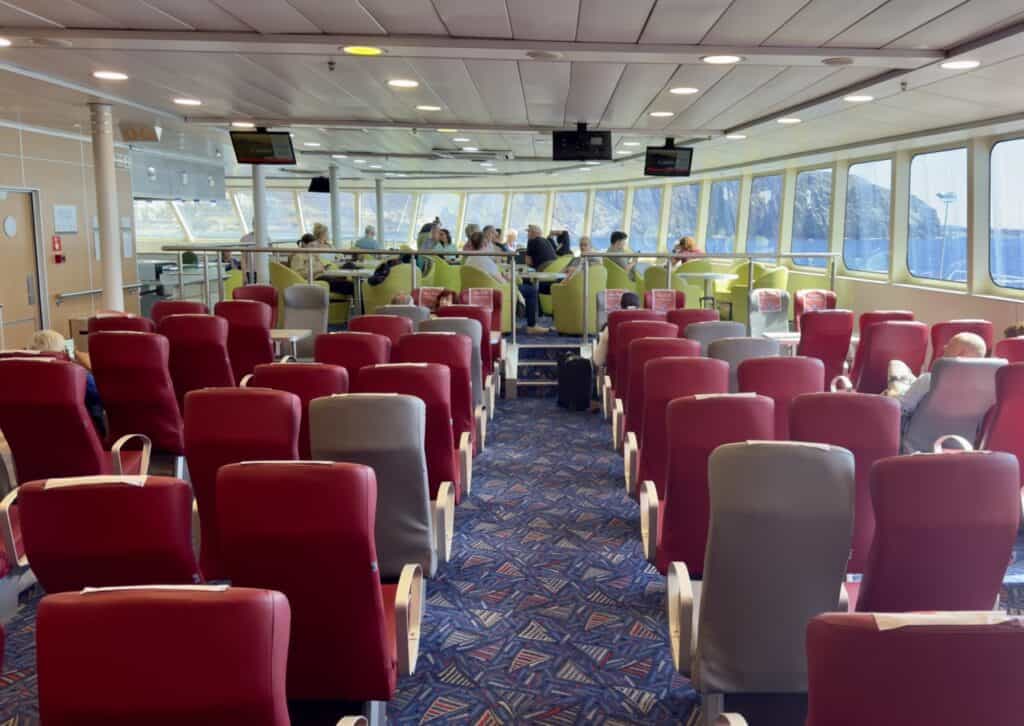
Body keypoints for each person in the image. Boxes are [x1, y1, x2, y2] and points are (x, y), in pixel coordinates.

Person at [884, 332, 987, 414]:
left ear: (960, 355)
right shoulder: (985, 389)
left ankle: (900, 387)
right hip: (960, 439)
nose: (944, 347)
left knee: (896, 364)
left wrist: (892, 395)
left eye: (950, 345)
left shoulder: (930, 380)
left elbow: (901, 408)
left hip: (915, 434)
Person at [29, 330, 105, 436]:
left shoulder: (23, 380)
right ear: (63, 353)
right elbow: (105, 398)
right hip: (83, 441)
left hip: (37, 443)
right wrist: (92, 369)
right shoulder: (80, 378)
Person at [592, 292, 640, 368]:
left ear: (621, 307)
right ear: (639, 308)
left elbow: (598, 361)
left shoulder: (609, 326)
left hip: (614, 375)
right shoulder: (650, 327)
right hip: (640, 373)